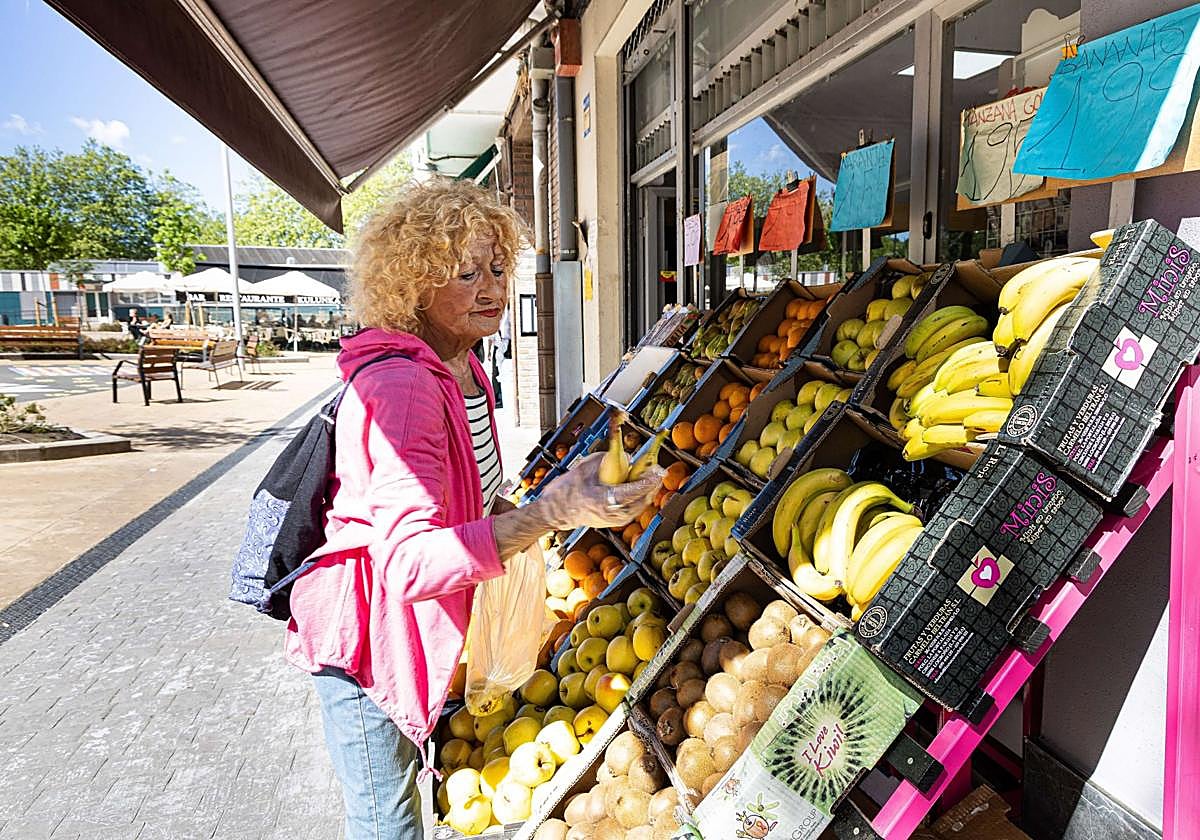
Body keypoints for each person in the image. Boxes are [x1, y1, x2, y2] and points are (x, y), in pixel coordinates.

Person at [283, 178, 662, 840]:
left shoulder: (464, 371)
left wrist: (571, 497)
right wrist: (546, 516)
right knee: (388, 822)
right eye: (465, 273)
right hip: (370, 643)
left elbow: (481, 497)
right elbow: (406, 563)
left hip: (418, 631)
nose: (491, 289)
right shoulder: (403, 389)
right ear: (413, 285)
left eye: (496, 268)